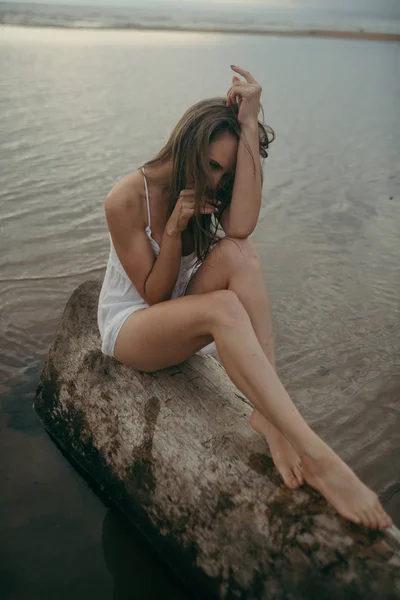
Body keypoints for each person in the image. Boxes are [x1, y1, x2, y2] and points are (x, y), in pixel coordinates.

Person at [97, 65, 392, 531]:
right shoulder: (127, 198)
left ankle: (271, 418)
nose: (216, 183)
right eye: (213, 166)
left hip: (180, 308)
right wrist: (173, 230)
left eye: (225, 173)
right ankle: (321, 458)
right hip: (134, 326)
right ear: (189, 143)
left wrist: (251, 123)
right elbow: (153, 297)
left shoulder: (206, 186)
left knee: (241, 253)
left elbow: (240, 228)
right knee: (225, 307)